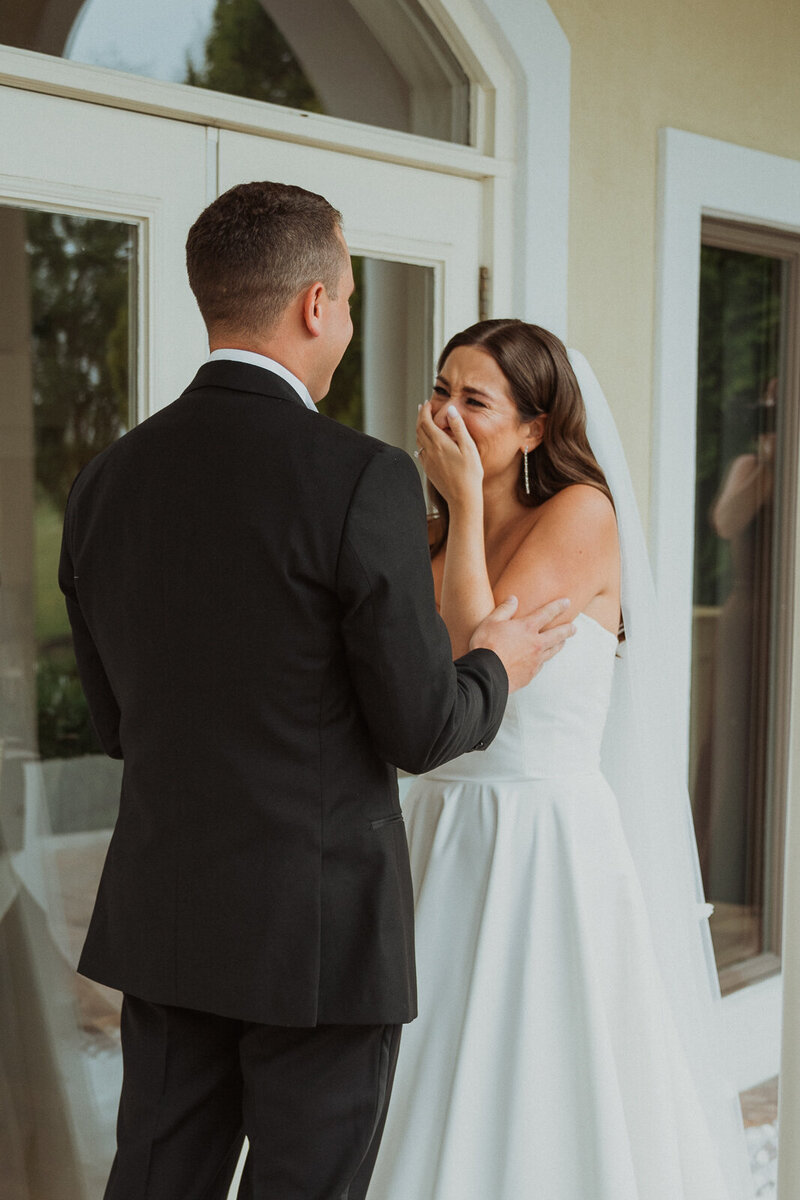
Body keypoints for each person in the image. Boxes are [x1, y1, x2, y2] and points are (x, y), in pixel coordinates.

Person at [58, 184, 574, 1200]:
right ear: (313, 306)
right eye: (347, 297)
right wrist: (496, 664)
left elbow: (114, 721)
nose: (345, 319)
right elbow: (423, 726)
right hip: (317, 933)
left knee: (156, 1181)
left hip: (166, 917)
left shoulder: (107, 478)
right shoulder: (359, 477)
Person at [369, 320, 755, 1200]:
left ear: (536, 427)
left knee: (539, 1066)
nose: (447, 415)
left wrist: (465, 506)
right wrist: (454, 514)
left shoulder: (581, 516)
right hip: (432, 823)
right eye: (441, 390)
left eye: (476, 399)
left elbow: (477, 661)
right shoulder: (421, 530)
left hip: (538, 834)